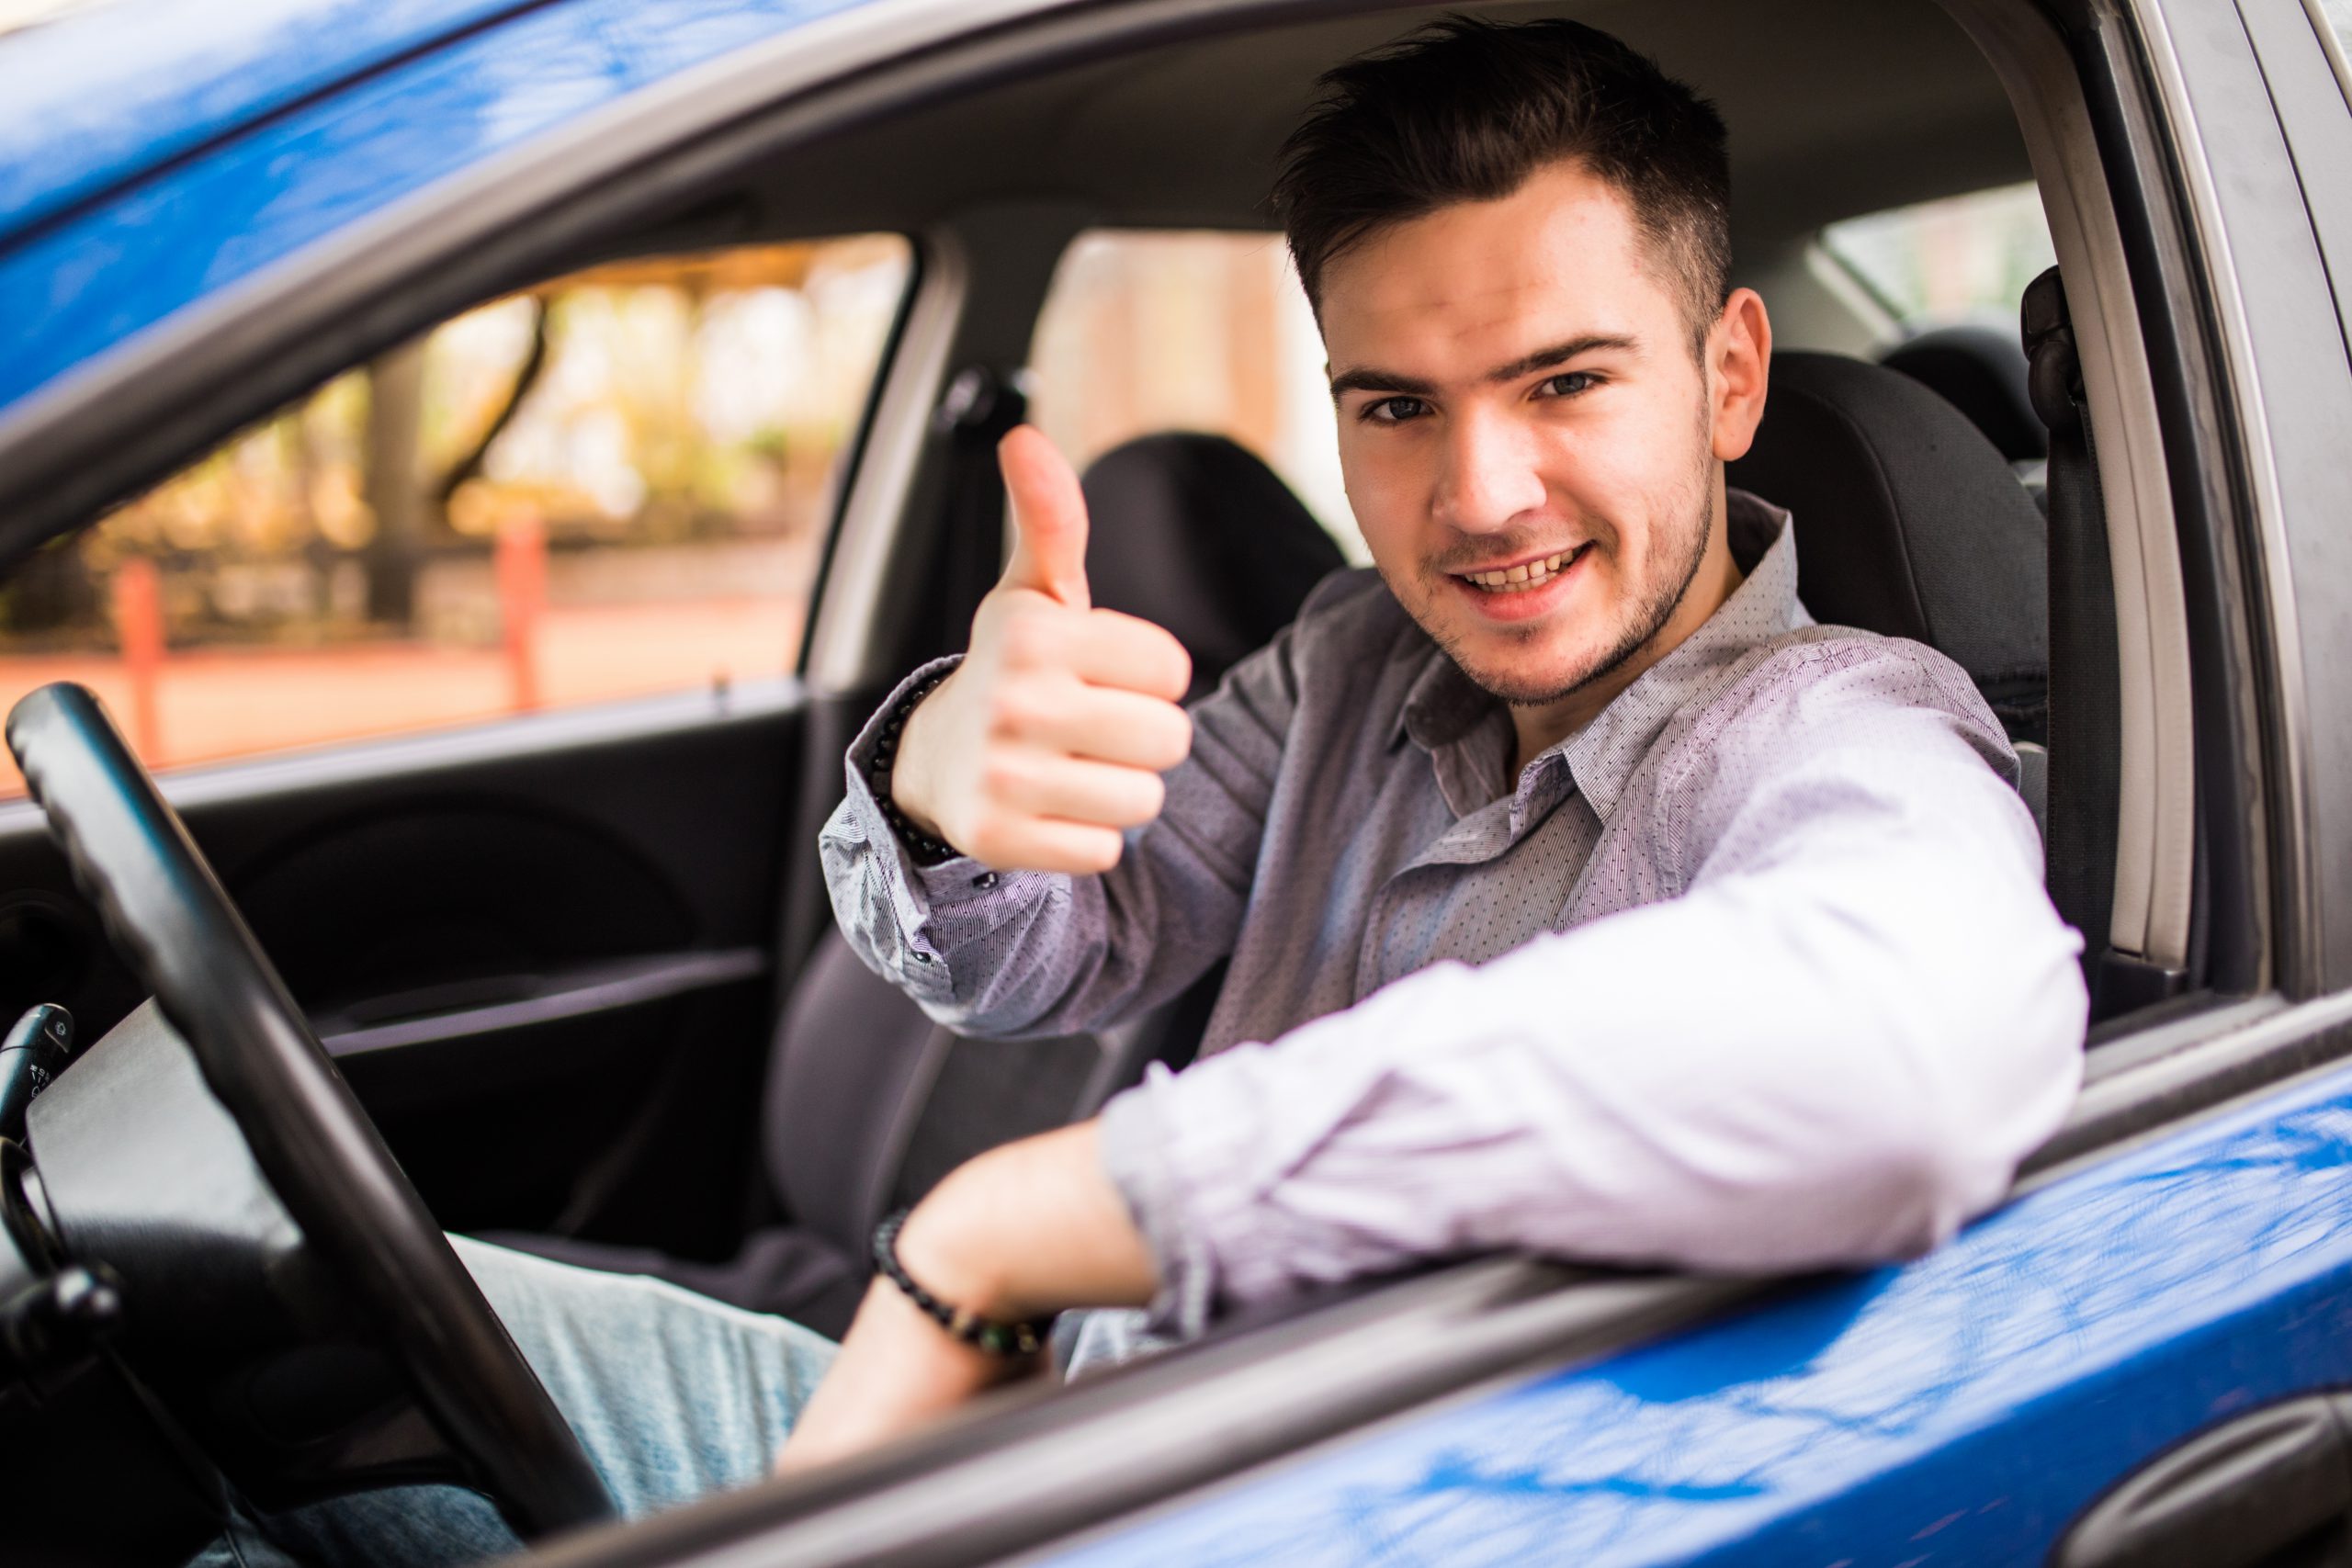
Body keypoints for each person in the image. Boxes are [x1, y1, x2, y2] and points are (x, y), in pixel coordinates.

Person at [201, 17, 2085, 1565]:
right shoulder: (1358, 656)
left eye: (1565, 379)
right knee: (235, 1348)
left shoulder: (1835, 733)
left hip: (1233, 1504)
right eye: (1394, 404)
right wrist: (945, 788)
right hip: (1039, 1427)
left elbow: (1903, 1054)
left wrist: (1028, 1220)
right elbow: (1046, 955)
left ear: (1727, 375)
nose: (1483, 491)